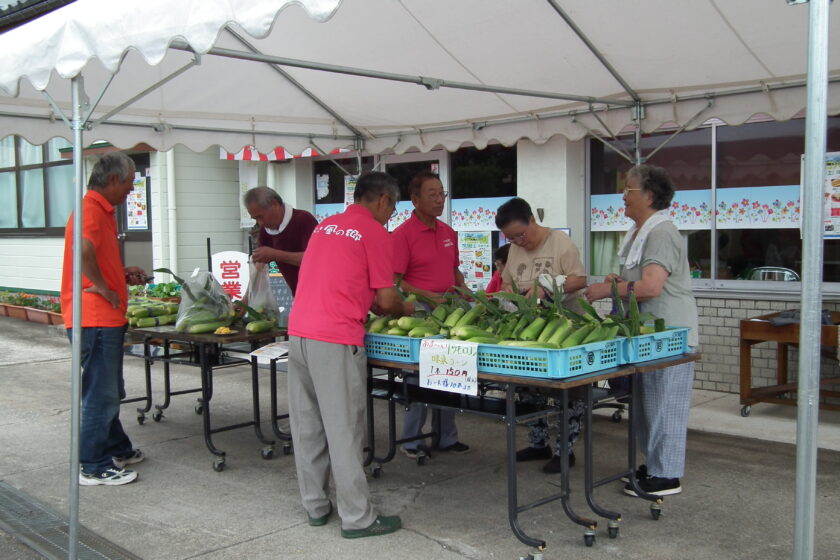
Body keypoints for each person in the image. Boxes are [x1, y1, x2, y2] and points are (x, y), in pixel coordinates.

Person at [287, 172, 414, 538]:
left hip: (299, 334)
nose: (391, 214)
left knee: (308, 426)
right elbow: (387, 300)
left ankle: (315, 507)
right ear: (384, 201)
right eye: (393, 207)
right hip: (335, 338)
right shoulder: (375, 232)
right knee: (343, 430)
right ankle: (358, 518)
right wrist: (405, 309)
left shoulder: (325, 227)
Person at [585, 164, 699, 497]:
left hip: (670, 336)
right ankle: (654, 466)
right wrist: (619, 283)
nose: (623, 195)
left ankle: (667, 476)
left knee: (666, 405)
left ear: (648, 195)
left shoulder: (661, 232)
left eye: (629, 190)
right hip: (649, 337)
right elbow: (640, 283)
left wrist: (607, 291)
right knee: (649, 405)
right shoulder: (642, 232)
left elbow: (651, 287)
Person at [61, 152, 148, 486]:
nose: (130, 190)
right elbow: (82, 252)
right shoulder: (90, 209)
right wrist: (103, 287)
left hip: (99, 317)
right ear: (113, 179)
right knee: (102, 393)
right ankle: (93, 464)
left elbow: (92, 254)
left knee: (109, 388)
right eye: (128, 183)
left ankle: (116, 446)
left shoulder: (99, 210)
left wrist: (119, 274)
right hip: (95, 318)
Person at [495, 197, 587, 474]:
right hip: (529, 328)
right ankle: (538, 443)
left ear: (532, 219)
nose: (519, 242)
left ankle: (564, 451)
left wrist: (547, 290)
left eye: (521, 234)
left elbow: (580, 280)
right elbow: (508, 281)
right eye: (512, 238)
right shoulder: (514, 249)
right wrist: (509, 298)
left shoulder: (560, 243)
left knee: (566, 393)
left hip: (565, 328)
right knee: (526, 387)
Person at [392, 171, 470, 458]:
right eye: (432, 194)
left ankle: (446, 437)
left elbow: (453, 270)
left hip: (450, 311)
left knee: (450, 373)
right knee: (419, 377)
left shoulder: (448, 232)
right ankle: (411, 440)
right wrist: (428, 297)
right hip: (420, 314)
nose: (439, 200)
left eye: (442, 194)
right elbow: (395, 280)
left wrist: (465, 290)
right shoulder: (402, 235)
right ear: (414, 199)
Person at [244, 186, 318, 295]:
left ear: (274, 204)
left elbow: (315, 259)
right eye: (255, 219)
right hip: (299, 294)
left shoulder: (304, 220)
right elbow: (259, 267)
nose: (260, 223)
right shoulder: (266, 231)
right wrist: (246, 299)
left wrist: (275, 255)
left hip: (320, 292)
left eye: (261, 217)